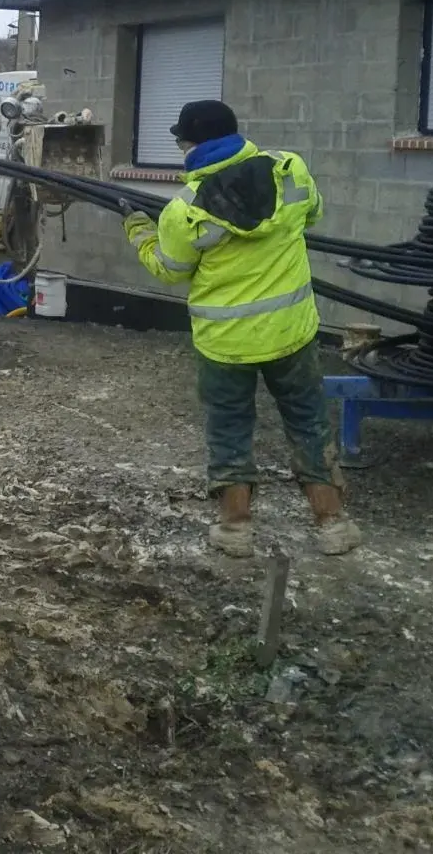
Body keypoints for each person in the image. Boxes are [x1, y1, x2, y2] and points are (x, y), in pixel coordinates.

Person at [121, 100, 361, 559]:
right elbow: (312, 215)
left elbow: (169, 270)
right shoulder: (289, 170)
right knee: (309, 423)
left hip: (225, 345)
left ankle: (235, 529)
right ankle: (333, 524)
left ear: (191, 144)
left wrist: (139, 232)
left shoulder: (184, 210)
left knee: (229, 430)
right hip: (292, 333)